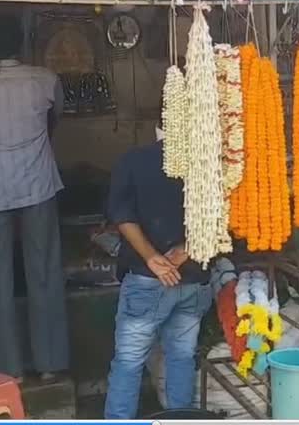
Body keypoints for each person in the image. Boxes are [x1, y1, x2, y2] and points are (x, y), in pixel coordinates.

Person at [0, 15, 69, 380]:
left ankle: (10, 371)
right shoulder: (44, 79)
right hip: (36, 187)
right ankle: (50, 366)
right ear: (22, 45)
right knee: (43, 274)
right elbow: (54, 120)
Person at [104, 122, 212, 419]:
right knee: (181, 358)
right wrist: (184, 252)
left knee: (128, 362)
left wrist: (152, 257)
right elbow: (219, 215)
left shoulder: (134, 160)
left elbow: (121, 215)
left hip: (147, 281)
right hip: (193, 279)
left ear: (157, 127)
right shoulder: (207, 162)